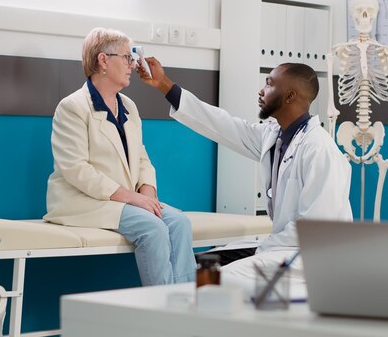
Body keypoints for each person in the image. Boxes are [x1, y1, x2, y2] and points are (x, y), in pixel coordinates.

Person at [137, 57, 352, 281]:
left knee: (221, 276)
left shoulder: (319, 149)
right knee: (200, 265)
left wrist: (263, 249)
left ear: (290, 96)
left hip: (313, 254)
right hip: (283, 246)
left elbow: (316, 231)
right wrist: (164, 84)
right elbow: (222, 124)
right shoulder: (274, 135)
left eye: (269, 84)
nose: (261, 90)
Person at [43, 28, 196, 286]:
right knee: (153, 227)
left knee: (179, 223)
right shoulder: (72, 107)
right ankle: (163, 312)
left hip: (125, 201)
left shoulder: (128, 106)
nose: (133, 64)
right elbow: (75, 168)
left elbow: (141, 158)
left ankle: (185, 307)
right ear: (103, 60)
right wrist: (132, 198)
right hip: (83, 202)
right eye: (127, 57)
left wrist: (147, 192)